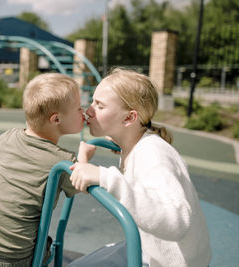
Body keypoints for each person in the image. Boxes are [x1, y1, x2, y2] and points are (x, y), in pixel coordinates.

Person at [69, 68, 212, 267]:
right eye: (92, 101)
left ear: (128, 118)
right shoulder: (134, 143)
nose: (89, 110)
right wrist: (91, 157)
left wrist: (104, 176)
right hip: (150, 252)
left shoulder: (154, 153)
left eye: (100, 106)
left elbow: (176, 220)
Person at [0, 73, 86, 267]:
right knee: (47, 243)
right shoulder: (64, 161)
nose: (84, 113)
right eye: (79, 109)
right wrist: (85, 156)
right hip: (15, 260)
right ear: (56, 119)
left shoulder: (9, 137)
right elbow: (81, 184)